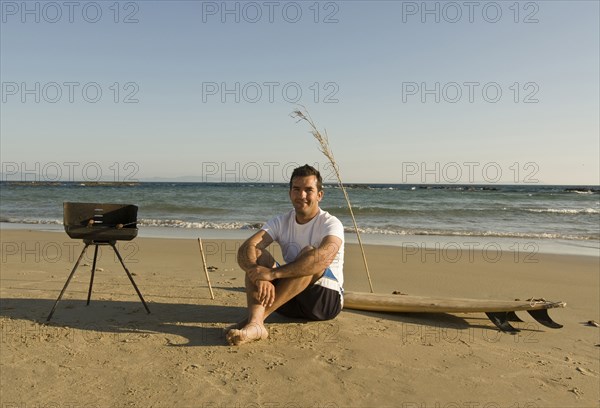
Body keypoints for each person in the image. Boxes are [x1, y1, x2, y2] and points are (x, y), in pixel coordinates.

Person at [226, 164, 344, 346]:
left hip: (323, 302)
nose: (302, 195)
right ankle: (256, 324)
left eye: (308, 190)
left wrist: (273, 274)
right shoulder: (281, 221)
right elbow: (247, 247)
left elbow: (323, 259)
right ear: (290, 193)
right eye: (296, 189)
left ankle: (256, 321)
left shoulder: (331, 223)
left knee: (310, 253)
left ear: (319, 195)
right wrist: (257, 274)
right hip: (287, 300)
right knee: (256, 254)